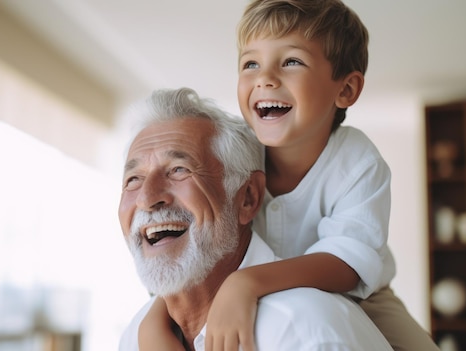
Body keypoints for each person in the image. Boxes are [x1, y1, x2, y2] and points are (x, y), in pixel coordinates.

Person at [139, 1, 440, 351]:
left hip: (363, 297)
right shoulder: (234, 155)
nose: (265, 77)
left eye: (291, 61)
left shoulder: (357, 161)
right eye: (251, 63)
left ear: (345, 90)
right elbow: (200, 241)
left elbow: (349, 264)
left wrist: (246, 283)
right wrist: (155, 317)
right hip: (243, 289)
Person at [118, 86, 393, 351]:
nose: (147, 197)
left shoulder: (306, 333)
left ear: (247, 198)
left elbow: (352, 261)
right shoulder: (136, 337)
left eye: (179, 169)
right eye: (133, 179)